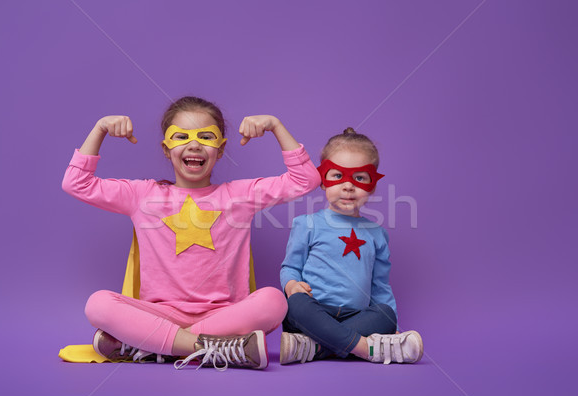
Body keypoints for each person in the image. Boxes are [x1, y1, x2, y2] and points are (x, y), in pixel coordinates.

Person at [62, 96, 320, 370]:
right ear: (166, 148)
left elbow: (306, 179)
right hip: (160, 314)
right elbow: (76, 183)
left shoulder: (240, 196)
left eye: (206, 137)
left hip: (225, 314)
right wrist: (100, 128)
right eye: (181, 136)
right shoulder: (142, 195)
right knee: (98, 304)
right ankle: (210, 348)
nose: (194, 144)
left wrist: (275, 125)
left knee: (274, 301)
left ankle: (156, 347)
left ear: (220, 150)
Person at [279, 127, 423, 365]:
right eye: (337, 176)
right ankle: (366, 348)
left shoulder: (377, 234)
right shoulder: (307, 224)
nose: (348, 186)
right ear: (323, 182)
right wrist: (292, 285)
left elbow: (380, 287)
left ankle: (313, 348)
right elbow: (289, 268)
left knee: (385, 314)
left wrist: (392, 324)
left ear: (372, 185)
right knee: (293, 303)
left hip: (357, 316)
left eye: (359, 178)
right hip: (314, 312)